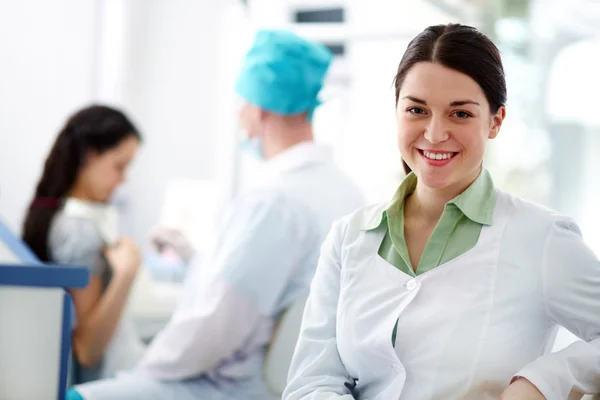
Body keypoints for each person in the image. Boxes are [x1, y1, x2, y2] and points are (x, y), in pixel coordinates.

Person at [283, 23, 600, 400]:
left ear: (495, 121)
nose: (434, 134)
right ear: (397, 111)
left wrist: (543, 382)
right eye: (417, 109)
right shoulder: (348, 237)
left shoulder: (541, 238)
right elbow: (311, 380)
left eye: (460, 114)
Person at [66, 29, 365, 400]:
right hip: (307, 384)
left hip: (231, 388)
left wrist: (145, 366)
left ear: (257, 110)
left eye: (241, 105)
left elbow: (215, 328)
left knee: (80, 395)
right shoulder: (345, 191)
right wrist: (198, 260)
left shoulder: (271, 202)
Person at [22, 105, 144, 384]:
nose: (123, 180)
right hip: (104, 382)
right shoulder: (79, 232)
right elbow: (88, 350)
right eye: (119, 166)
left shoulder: (55, 214)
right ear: (89, 156)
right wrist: (126, 274)